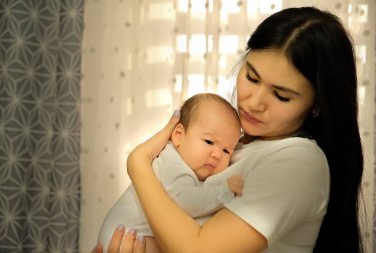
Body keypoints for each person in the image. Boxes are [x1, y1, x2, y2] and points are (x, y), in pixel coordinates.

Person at [95, 6, 364, 253]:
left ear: (317, 104)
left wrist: (138, 163)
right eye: (251, 77)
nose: (254, 103)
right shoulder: (230, 138)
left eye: (281, 96)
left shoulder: (297, 161)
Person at [96, 93, 244, 250]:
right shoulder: (173, 163)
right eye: (209, 141)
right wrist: (222, 191)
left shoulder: (185, 164)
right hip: (123, 240)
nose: (217, 155)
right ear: (178, 135)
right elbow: (188, 202)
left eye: (227, 151)